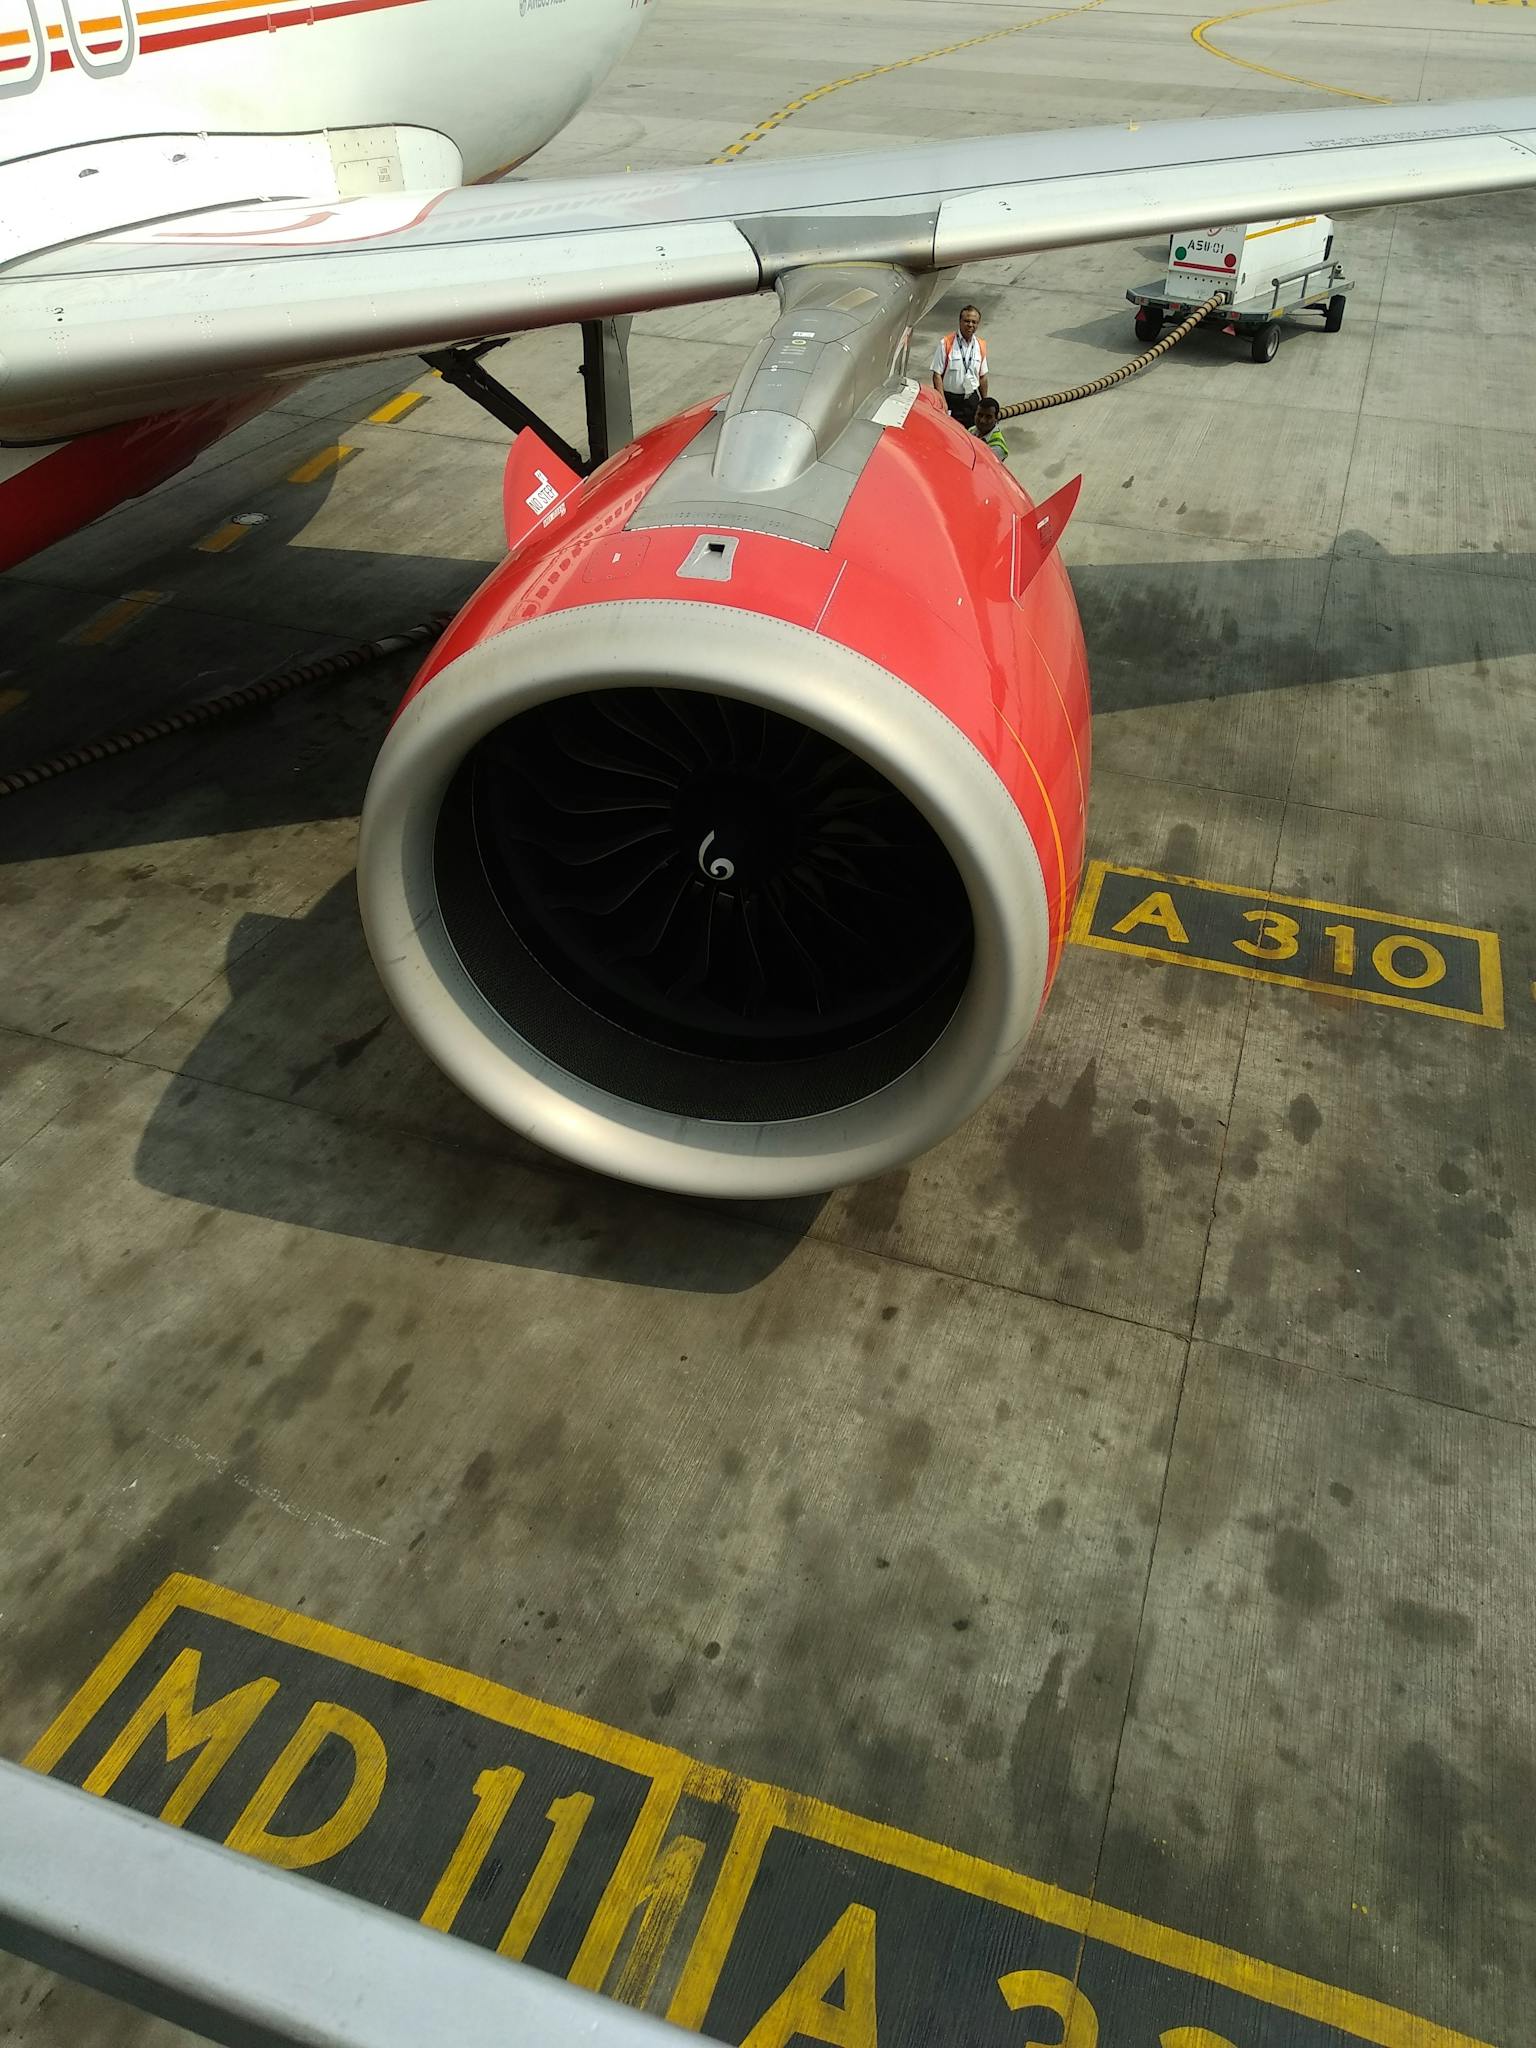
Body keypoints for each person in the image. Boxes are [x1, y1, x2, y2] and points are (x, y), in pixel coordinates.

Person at [930, 304, 988, 428]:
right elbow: (937, 375)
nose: (970, 325)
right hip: (951, 401)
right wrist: (942, 401)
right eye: (967, 321)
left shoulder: (980, 345)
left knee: (972, 436)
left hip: (971, 400)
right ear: (960, 322)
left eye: (974, 322)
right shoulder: (946, 343)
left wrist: (985, 402)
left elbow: (983, 376)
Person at [972, 395, 1010, 462]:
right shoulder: (971, 430)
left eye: (988, 417)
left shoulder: (997, 447)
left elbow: (979, 464)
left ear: (996, 418)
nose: (982, 420)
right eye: (980, 415)